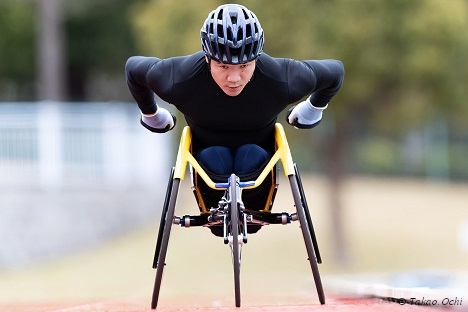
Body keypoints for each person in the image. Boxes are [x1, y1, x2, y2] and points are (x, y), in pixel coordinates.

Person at [125, 4, 344, 219]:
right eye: (223, 66)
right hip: (207, 175)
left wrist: (312, 108)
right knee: (215, 156)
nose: (234, 78)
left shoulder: (283, 78)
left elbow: (335, 72)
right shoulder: (178, 78)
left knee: (250, 155)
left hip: (259, 178)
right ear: (207, 58)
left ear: (256, 59)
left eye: (244, 66)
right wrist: (151, 114)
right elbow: (133, 68)